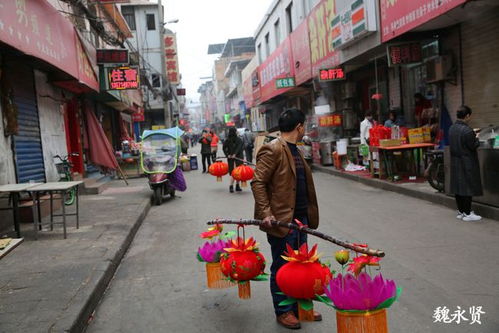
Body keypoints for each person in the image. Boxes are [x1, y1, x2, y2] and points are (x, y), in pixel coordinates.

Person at [251, 108, 320, 329]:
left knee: (302, 267)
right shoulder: (273, 149)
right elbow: (258, 182)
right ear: (299, 127)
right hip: (281, 221)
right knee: (282, 268)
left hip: (301, 221)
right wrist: (266, 213)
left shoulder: (296, 150)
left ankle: (301, 306)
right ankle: (283, 311)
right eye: (304, 127)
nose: (304, 130)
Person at [449, 105, 483, 222]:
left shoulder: (452, 128)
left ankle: (461, 211)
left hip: (455, 161)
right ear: (467, 116)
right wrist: (477, 137)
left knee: (458, 187)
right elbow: (472, 145)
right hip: (467, 161)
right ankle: (468, 213)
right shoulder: (467, 130)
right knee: (468, 187)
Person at [223, 127, 244, 193]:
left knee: (236, 172)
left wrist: (230, 154)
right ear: (235, 132)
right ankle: (232, 186)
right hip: (234, 158)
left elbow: (239, 147)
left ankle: (236, 186)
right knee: (235, 172)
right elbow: (224, 148)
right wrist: (228, 155)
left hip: (236, 158)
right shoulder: (232, 140)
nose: (237, 132)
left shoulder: (235, 139)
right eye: (236, 131)